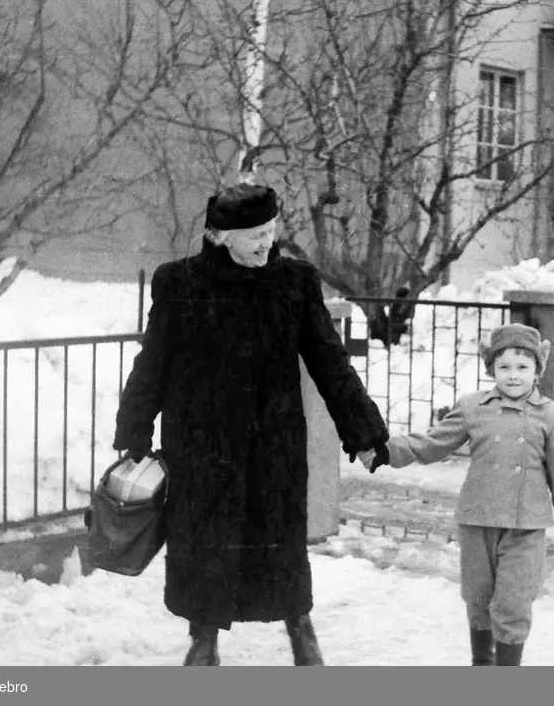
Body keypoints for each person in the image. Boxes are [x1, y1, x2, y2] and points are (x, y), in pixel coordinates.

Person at [111, 182, 390, 666]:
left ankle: (300, 626)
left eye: (270, 230)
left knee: (278, 542)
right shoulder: (180, 283)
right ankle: (204, 639)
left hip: (272, 442)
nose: (266, 242)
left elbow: (329, 361)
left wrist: (364, 432)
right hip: (202, 442)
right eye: (253, 235)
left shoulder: (293, 282)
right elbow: (153, 361)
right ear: (221, 237)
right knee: (204, 542)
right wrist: (134, 429)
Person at [360, 324, 554, 666]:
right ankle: (481, 666)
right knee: (479, 600)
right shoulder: (472, 408)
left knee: (513, 603)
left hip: (525, 528)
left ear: (537, 371)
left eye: (523, 367)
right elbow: (432, 443)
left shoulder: (551, 417)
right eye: (504, 367)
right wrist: (386, 451)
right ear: (491, 369)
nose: (513, 376)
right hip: (477, 521)